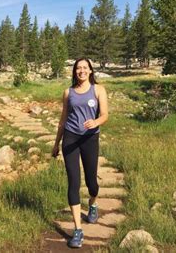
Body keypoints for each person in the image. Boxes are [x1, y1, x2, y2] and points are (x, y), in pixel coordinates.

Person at [52, 57, 108, 248]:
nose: (81, 71)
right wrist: (56, 144)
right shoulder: (68, 92)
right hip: (71, 138)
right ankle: (77, 230)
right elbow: (62, 119)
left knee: (92, 182)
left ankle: (92, 203)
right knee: (73, 182)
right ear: (75, 72)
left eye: (85, 68)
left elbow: (105, 115)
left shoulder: (98, 90)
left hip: (90, 139)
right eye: (78, 68)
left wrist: (96, 122)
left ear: (91, 71)